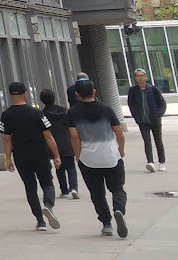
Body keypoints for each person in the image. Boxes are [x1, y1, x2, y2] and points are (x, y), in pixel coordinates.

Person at [68, 79, 130, 238]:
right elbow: (119, 133)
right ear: (94, 91)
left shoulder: (73, 112)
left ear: (77, 94)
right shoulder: (106, 109)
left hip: (88, 159)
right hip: (110, 156)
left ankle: (106, 224)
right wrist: (121, 150)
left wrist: (78, 156)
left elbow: (74, 136)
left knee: (97, 193)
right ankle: (118, 209)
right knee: (117, 188)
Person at [0, 81, 62, 231]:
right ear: (25, 94)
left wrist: (7, 159)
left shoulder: (6, 115)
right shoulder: (36, 112)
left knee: (30, 187)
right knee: (47, 183)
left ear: (10, 95)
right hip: (40, 154)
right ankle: (48, 206)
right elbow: (48, 136)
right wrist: (56, 155)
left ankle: (40, 221)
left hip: (21, 155)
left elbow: (7, 139)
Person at [39, 88, 78, 199]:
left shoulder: (42, 115)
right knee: (71, 166)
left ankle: (64, 189)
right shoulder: (64, 111)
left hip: (53, 143)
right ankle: (74, 188)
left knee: (58, 166)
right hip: (67, 141)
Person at [128, 68, 168, 171]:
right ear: (135, 78)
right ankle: (150, 162)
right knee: (147, 141)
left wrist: (158, 115)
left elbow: (162, 103)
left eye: (142, 75)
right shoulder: (133, 90)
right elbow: (131, 105)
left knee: (158, 141)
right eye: (138, 76)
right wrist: (137, 118)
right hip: (143, 121)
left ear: (145, 77)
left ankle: (162, 162)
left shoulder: (153, 89)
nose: (140, 78)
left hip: (155, 120)